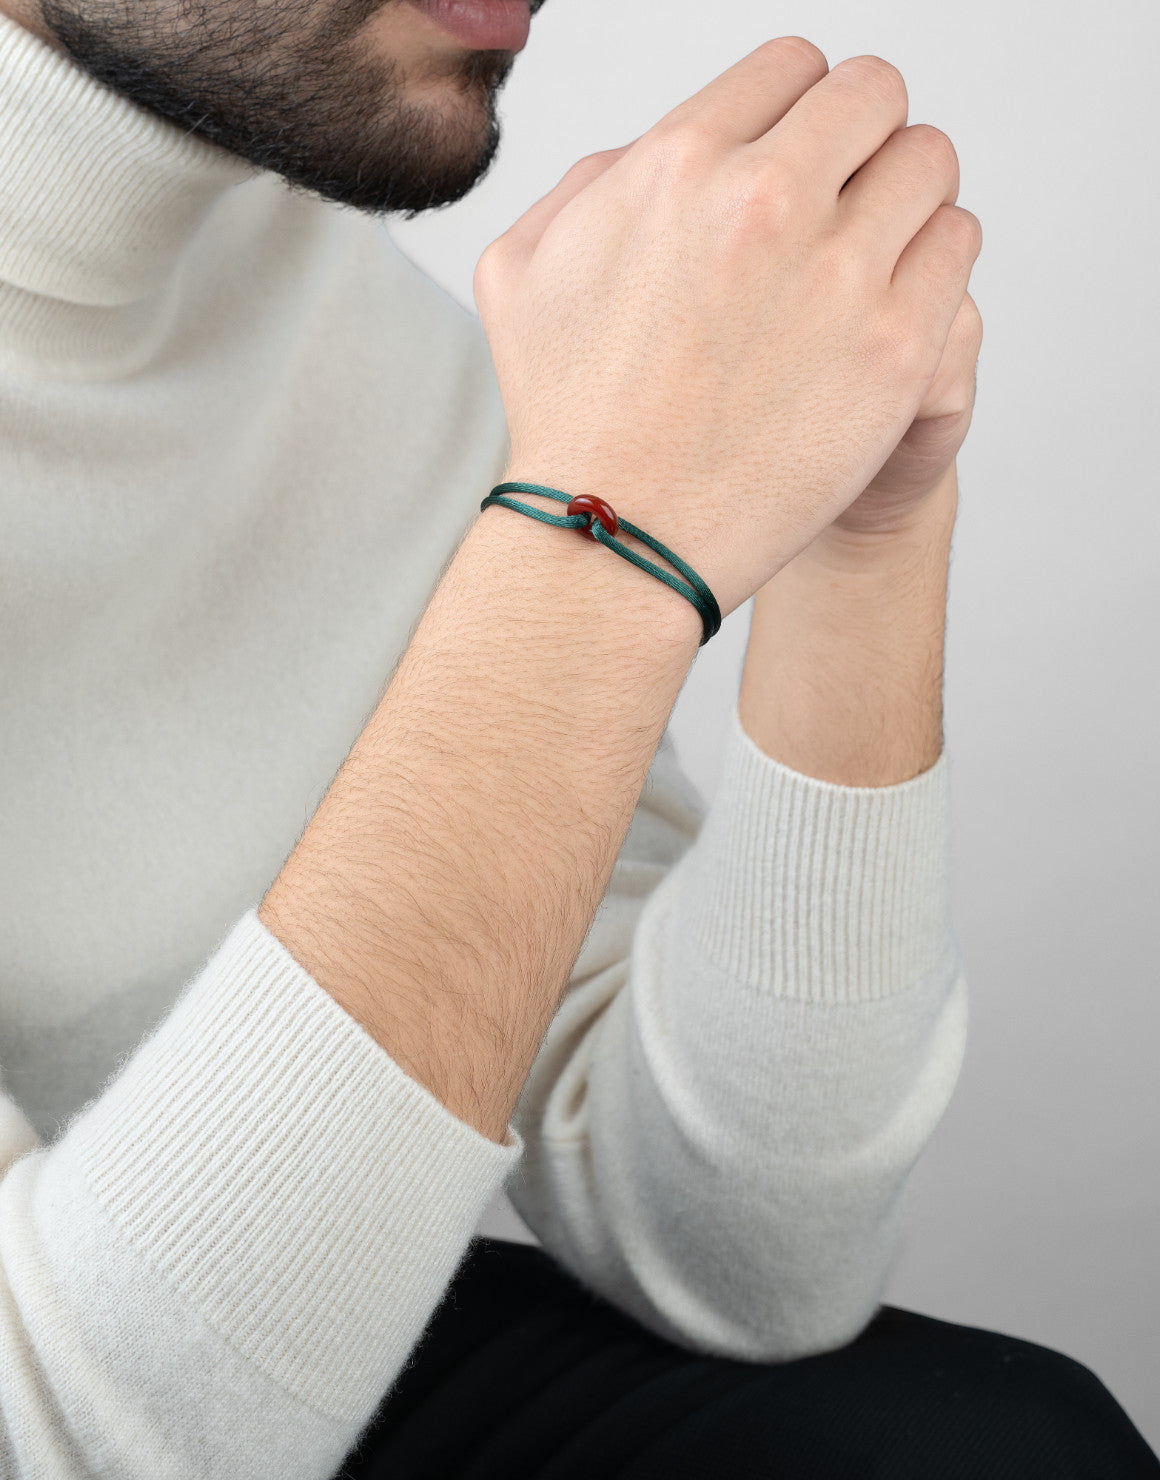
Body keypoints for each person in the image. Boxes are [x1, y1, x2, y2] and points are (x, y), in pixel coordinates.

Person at [0, 0, 1153, 1474]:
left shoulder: (349, 320)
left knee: (987, 1451)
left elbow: (744, 1255)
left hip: (214, 1367)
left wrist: (865, 512)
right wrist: (598, 546)